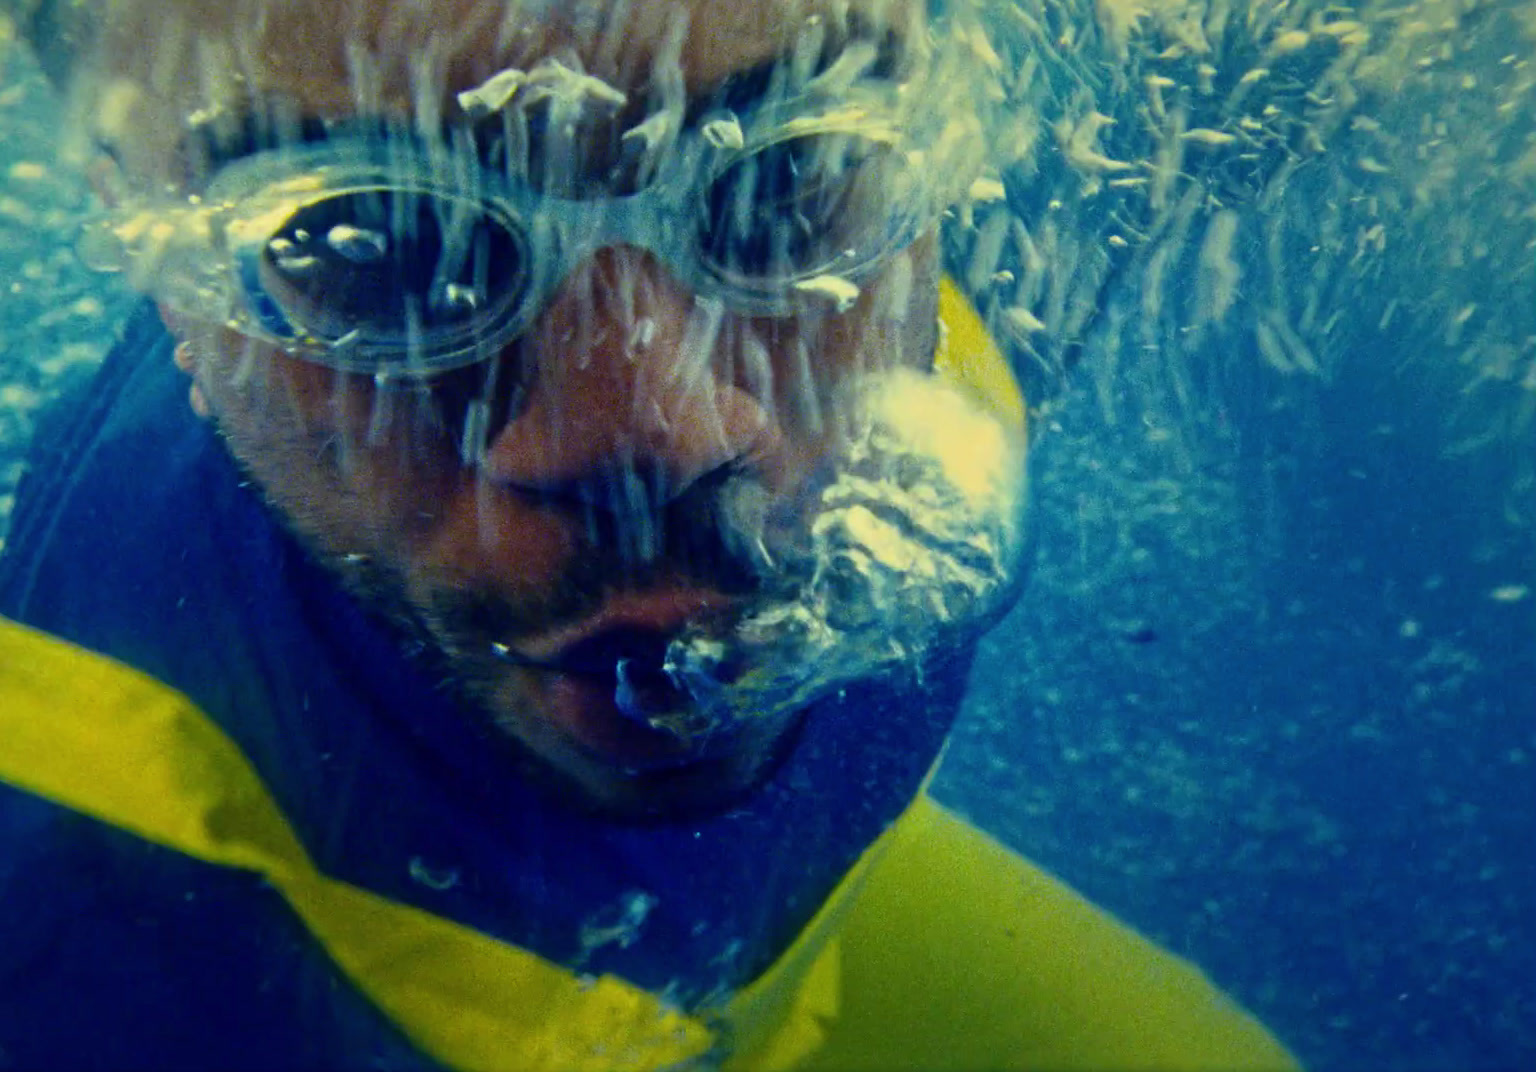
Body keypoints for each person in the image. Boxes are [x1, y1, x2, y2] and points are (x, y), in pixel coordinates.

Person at [0, 0, 1308, 1067]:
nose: (654, 429)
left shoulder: (995, 234)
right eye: (372, 239)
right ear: (149, 255)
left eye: (783, 180)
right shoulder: (93, 906)